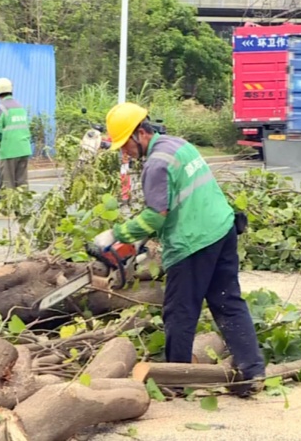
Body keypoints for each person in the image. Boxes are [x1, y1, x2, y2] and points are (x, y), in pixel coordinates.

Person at [93, 102, 265, 395]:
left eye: (126, 145)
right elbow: (177, 204)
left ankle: (176, 379)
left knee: (180, 312)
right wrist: (141, 242)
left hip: (194, 242)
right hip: (223, 229)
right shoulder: (179, 146)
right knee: (228, 302)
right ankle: (253, 371)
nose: (125, 153)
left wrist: (116, 234)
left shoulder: (156, 164)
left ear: (141, 134)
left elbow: (155, 214)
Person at [0, 77, 32, 202]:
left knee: (8, 183)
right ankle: (23, 210)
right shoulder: (20, 107)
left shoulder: (0, 109)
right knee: (22, 183)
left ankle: (8, 211)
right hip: (23, 149)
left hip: (9, 151)